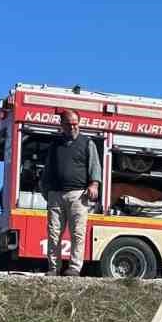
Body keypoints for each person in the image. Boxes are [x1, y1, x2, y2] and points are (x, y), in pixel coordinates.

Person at [41, 108, 101, 276]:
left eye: (76, 124)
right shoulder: (55, 145)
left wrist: (94, 185)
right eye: (69, 124)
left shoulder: (87, 143)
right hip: (56, 194)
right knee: (54, 233)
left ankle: (74, 268)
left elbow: (95, 166)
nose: (73, 127)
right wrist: (46, 190)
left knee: (77, 233)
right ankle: (53, 268)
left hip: (78, 195)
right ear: (62, 125)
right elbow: (47, 169)